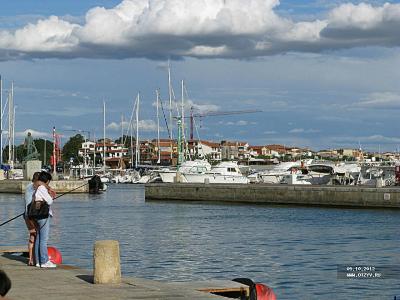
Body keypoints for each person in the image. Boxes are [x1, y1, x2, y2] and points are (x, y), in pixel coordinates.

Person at [34, 171, 57, 268]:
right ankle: (44, 261)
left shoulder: (38, 188)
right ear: (46, 181)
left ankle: (38, 261)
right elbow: (49, 201)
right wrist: (51, 196)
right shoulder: (42, 188)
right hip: (43, 216)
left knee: (39, 239)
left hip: (38, 216)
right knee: (43, 240)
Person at [24, 172, 41, 266]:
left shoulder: (28, 187)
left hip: (26, 215)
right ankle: (36, 259)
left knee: (32, 236)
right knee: (37, 236)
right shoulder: (35, 188)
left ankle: (30, 259)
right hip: (33, 216)